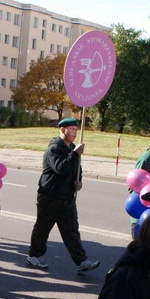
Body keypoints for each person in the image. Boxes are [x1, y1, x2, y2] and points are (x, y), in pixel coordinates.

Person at [26, 117, 99, 273]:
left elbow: (76, 169)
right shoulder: (54, 148)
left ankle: (81, 261)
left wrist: (78, 181)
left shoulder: (72, 148)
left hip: (66, 197)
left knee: (71, 230)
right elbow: (61, 168)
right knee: (43, 228)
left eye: (75, 129)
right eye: (71, 129)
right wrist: (74, 154)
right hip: (49, 196)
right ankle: (34, 255)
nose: (74, 132)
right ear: (63, 129)